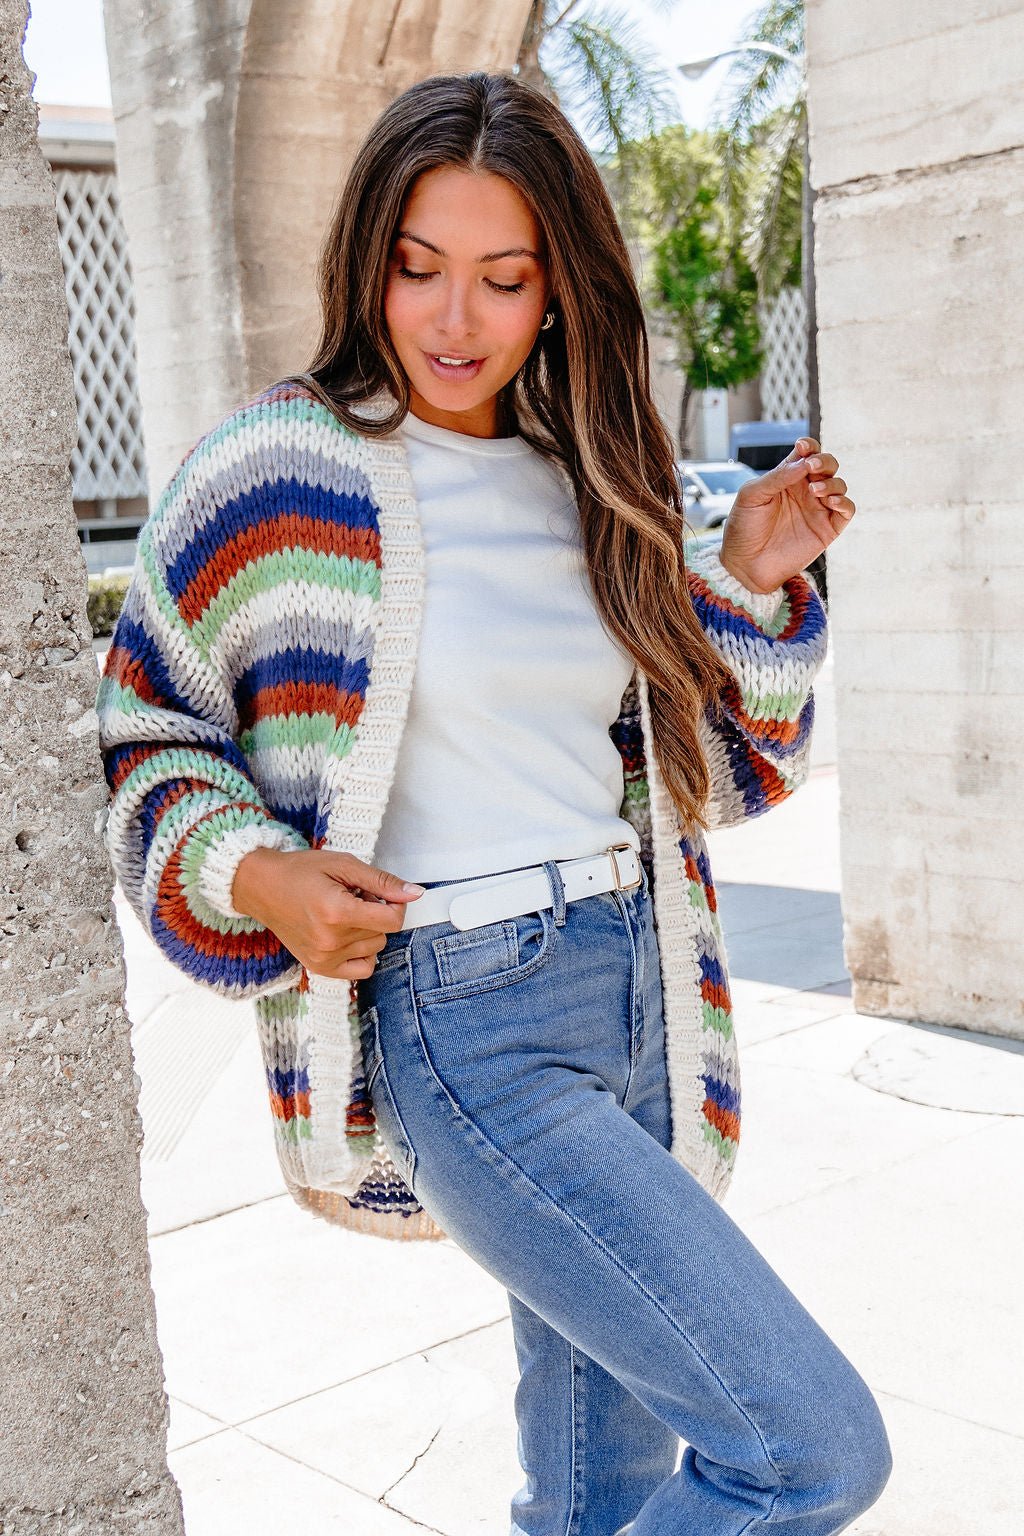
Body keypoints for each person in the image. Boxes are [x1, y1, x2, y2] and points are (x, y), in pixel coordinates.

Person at [97, 70, 891, 1536]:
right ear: (367, 266)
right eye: (419, 269)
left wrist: (750, 584)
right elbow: (146, 728)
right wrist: (258, 876)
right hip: (466, 1015)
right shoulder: (278, 471)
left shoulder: (592, 473)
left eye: (503, 279)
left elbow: (711, 774)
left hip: (642, 986)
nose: (455, 321)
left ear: (557, 292)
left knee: (604, 1490)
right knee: (807, 1453)